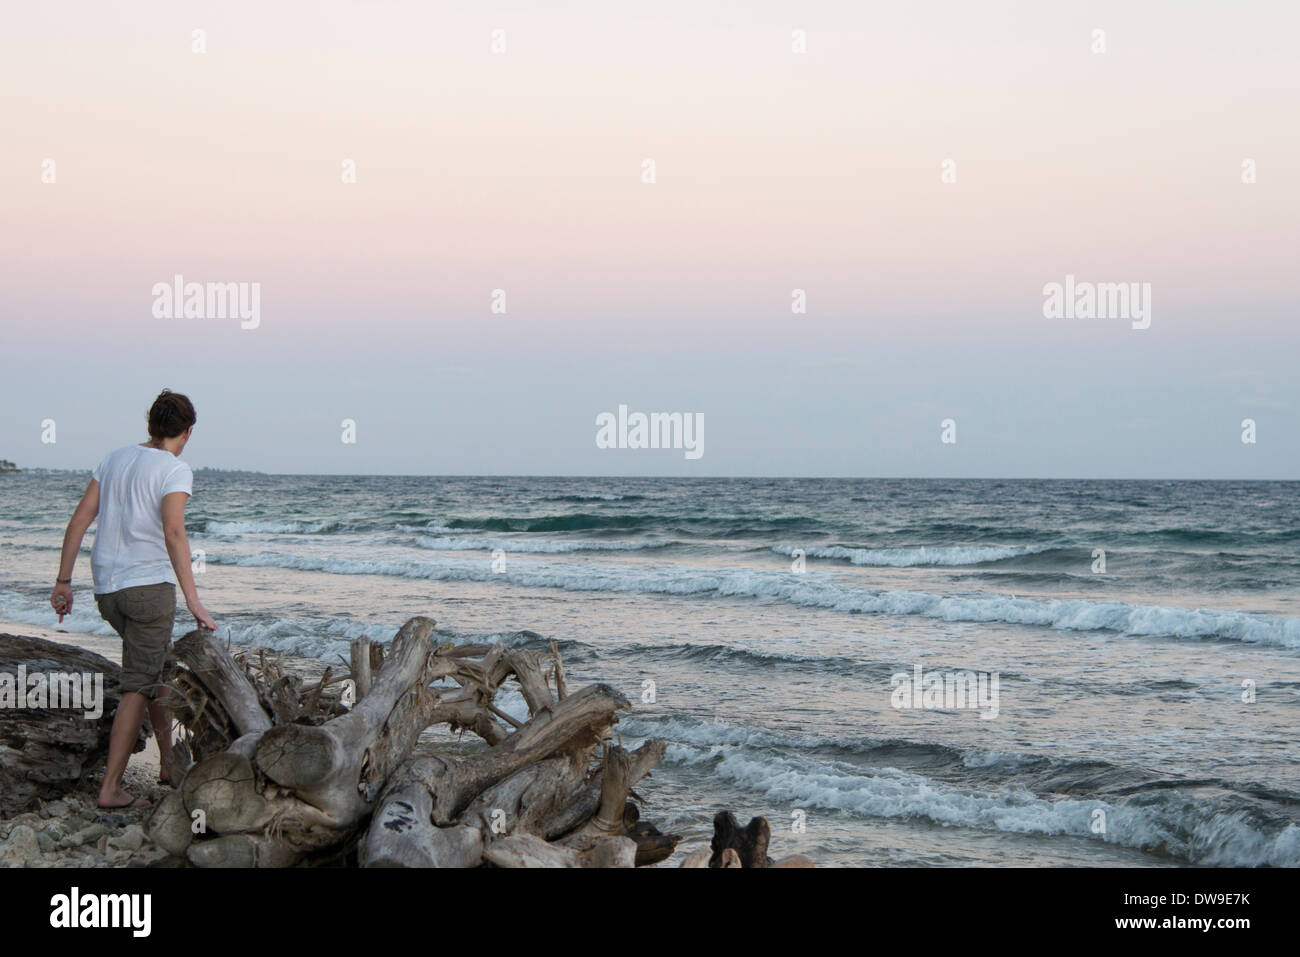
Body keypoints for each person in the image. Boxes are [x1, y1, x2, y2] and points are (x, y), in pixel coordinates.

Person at [50, 389, 217, 809]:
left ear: (151, 425)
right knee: (139, 686)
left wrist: (63, 581)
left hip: (108, 589)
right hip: (148, 590)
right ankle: (110, 788)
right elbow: (174, 532)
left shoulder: (114, 459)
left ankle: (167, 764)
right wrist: (193, 599)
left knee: (157, 670)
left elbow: (79, 520)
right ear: (188, 431)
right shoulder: (175, 469)